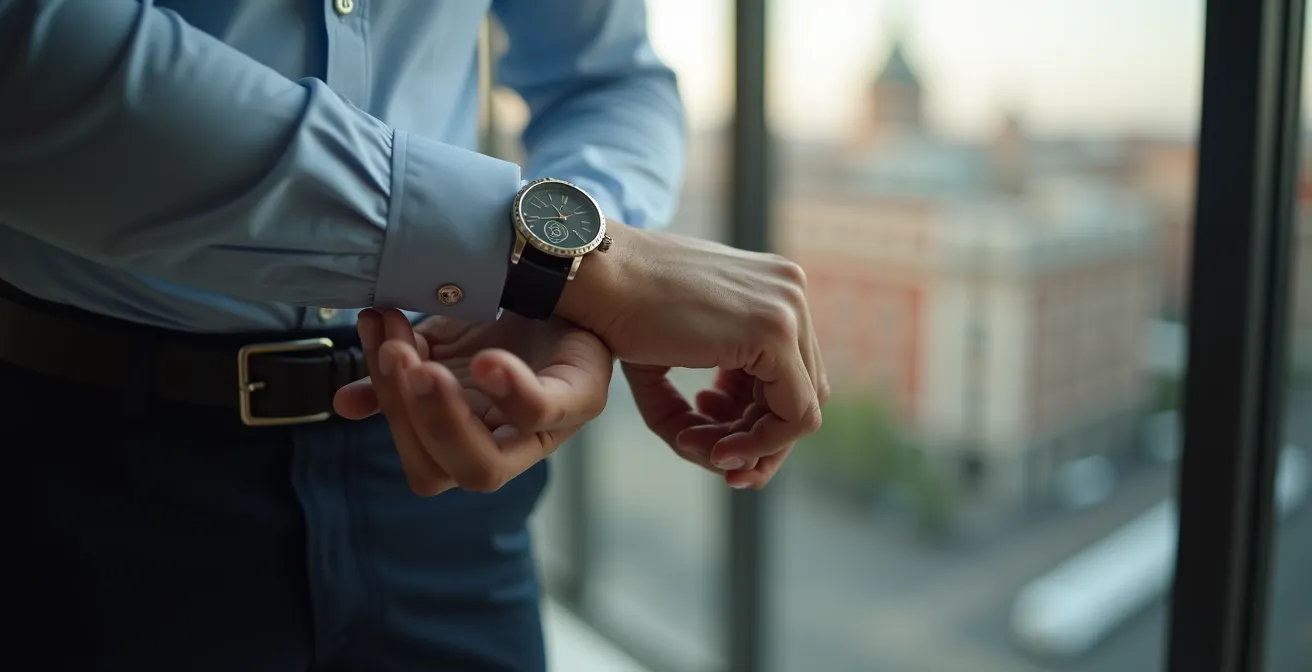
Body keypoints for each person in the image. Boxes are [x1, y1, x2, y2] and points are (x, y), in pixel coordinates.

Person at [0, 1, 828, 670]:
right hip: (82, 468)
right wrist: (582, 269)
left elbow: (605, 77)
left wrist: (560, 284)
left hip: (447, 459)